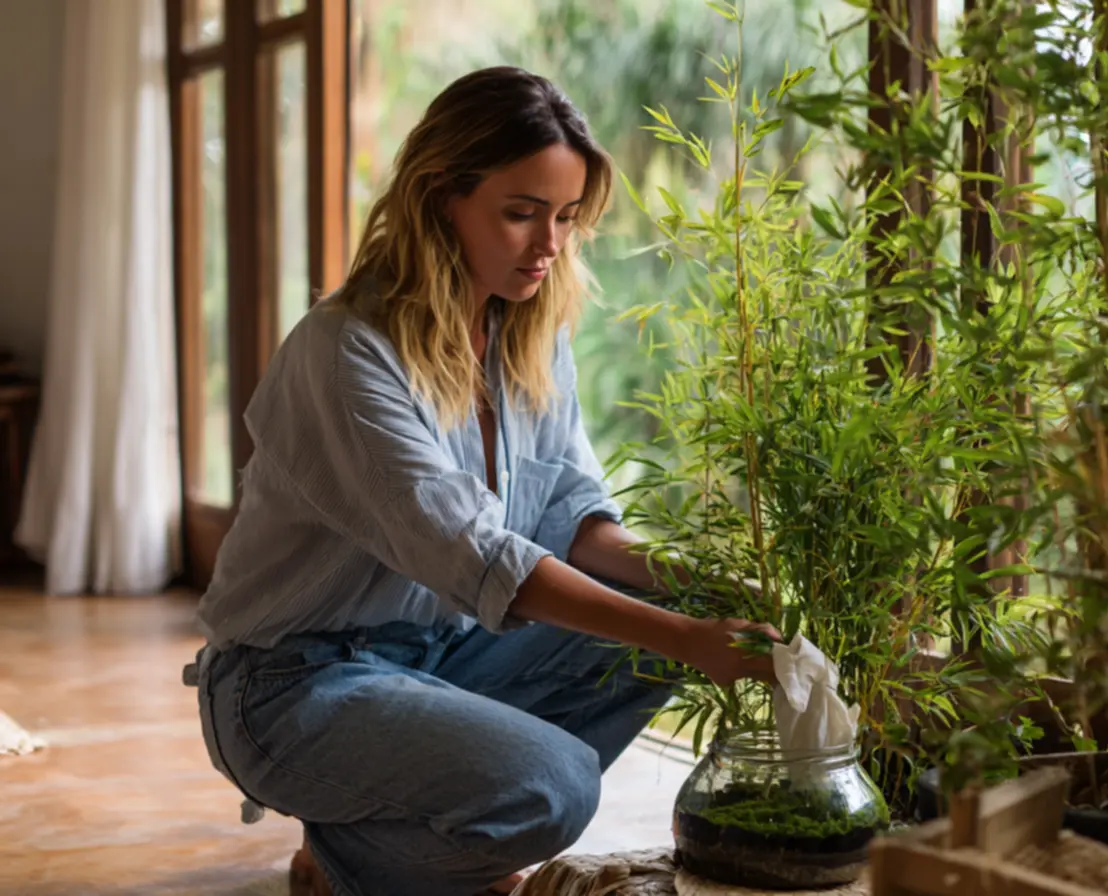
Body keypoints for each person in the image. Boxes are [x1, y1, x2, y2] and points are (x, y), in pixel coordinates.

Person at [186, 66, 778, 896]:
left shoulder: (526, 334)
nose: (551, 245)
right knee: (555, 786)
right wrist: (687, 641)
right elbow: (476, 553)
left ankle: (417, 846)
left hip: (444, 655)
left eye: (568, 218)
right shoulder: (344, 350)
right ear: (439, 199)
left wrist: (702, 587)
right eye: (521, 213)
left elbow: (575, 517)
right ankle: (358, 856)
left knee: (677, 614)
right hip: (294, 685)